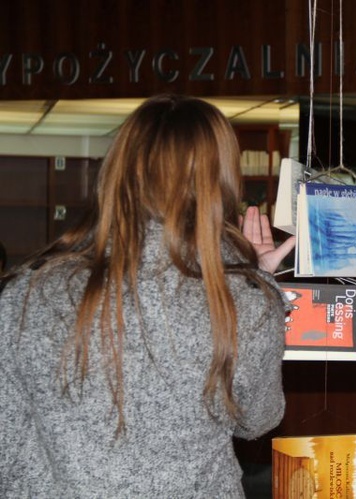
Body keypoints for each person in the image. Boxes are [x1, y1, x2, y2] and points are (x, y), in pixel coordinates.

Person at [0, 94, 296, 497]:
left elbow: (9, 439)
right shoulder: (244, 302)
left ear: (115, 171)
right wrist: (259, 282)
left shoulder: (26, 295)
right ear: (221, 181)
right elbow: (257, 420)